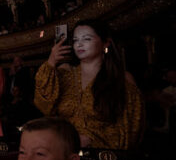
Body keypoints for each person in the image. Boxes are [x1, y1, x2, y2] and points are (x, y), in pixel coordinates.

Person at [34, 20, 144, 149]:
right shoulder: (64, 73)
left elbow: (131, 130)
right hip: (64, 153)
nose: (79, 44)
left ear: (105, 43)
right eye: (75, 40)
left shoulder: (121, 79)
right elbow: (43, 105)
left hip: (102, 158)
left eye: (86, 39)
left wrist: (92, 142)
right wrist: (51, 62)